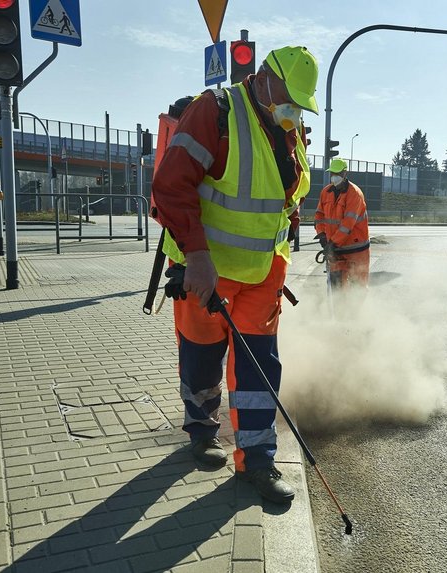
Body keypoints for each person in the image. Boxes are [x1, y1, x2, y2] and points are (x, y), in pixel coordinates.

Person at [150, 46, 319, 504]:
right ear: (264, 78)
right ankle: (202, 431)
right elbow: (170, 186)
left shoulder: (291, 132)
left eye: (300, 106)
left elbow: (287, 198)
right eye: (289, 100)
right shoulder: (217, 111)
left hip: (263, 276)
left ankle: (257, 462)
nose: (293, 112)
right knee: (202, 362)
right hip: (206, 272)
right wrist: (198, 256)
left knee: (259, 373)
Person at [314, 158, 371, 290]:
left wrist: (332, 244)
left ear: (345, 173)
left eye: (337, 173)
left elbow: (347, 224)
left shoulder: (354, 194)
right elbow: (319, 216)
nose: (334, 177)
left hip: (356, 249)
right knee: (335, 287)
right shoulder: (326, 192)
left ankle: (357, 310)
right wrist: (322, 236)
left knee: (358, 286)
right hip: (335, 249)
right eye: (332, 173)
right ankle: (338, 310)